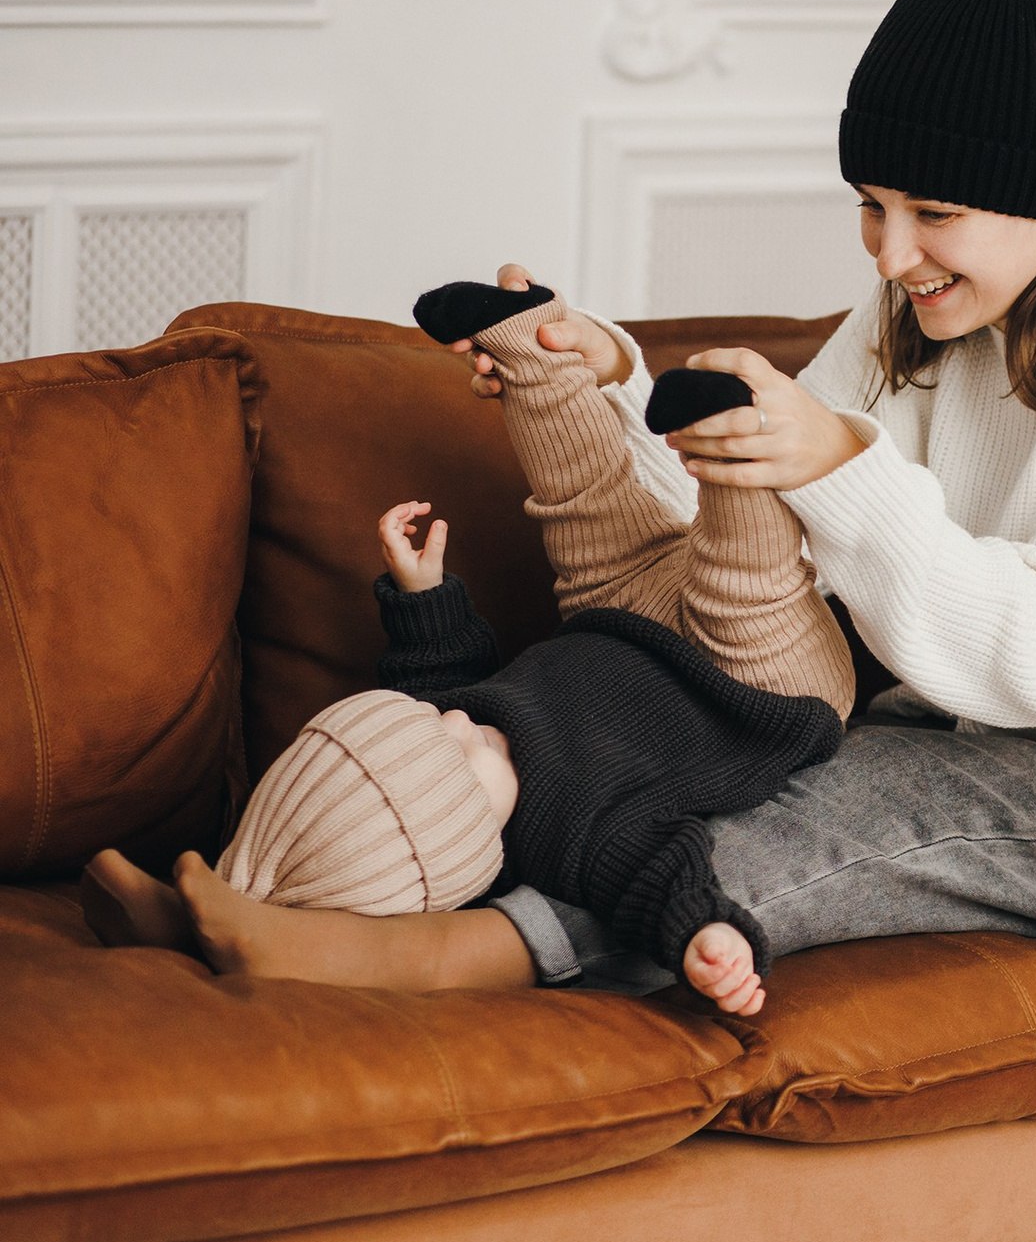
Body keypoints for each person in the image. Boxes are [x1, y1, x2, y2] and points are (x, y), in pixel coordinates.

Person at [93, 0, 1036, 1001]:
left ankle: (410, 955)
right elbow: (723, 549)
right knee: (676, 736)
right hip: (1020, 736)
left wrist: (839, 457)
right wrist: (600, 378)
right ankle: (261, 882)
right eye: (870, 206)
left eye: (932, 212)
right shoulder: (933, 303)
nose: (891, 253)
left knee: (822, 805)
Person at [84, 283, 861, 1015]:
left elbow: (439, 678)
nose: (456, 723)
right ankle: (725, 432)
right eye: (453, 755)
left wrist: (423, 595)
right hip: (754, 687)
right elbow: (657, 874)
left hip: (621, 608)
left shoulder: (462, 728)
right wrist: (706, 935)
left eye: (431, 726)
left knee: (584, 507)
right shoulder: (571, 832)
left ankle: (530, 350)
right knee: (743, 577)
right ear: (459, 844)